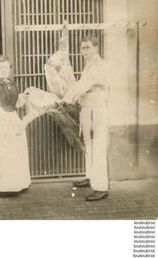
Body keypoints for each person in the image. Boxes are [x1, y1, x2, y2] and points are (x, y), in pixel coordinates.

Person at [63, 35, 109, 201]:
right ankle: (91, 177)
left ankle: (101, 187)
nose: (84, 51)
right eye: (82, 48)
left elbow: (85, 85)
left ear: (96, 48)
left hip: (97, 109)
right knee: (88, 144)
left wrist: (67, 98)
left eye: (88, 47)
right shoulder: (89, 64)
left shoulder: (99, 64)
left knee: (98, 146)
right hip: (87, 108)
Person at [0, 55, 34, 195]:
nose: (4, 70)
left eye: (6, 67)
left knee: (14, 152)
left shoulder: (11, 83)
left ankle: (15, 185)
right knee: (0, 153)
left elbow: (15, 103)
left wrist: (24, 97)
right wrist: (14, 122)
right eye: (1, 67)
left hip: (13, 118)